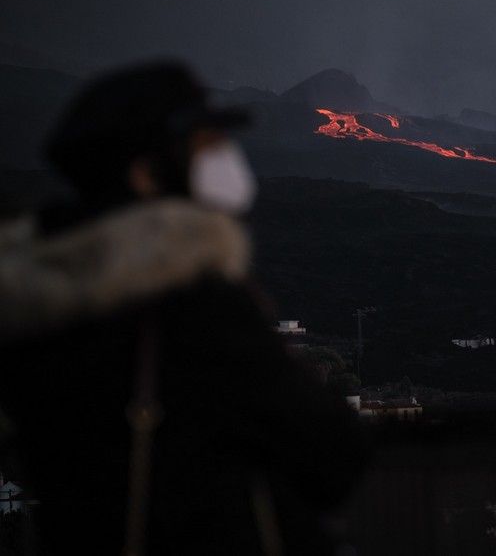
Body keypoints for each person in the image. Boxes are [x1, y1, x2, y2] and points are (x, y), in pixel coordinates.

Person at [0, 62, 366, 554]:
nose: (223, 157)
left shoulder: (33, 314)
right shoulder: (195, 308)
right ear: (146, 173)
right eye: (203, 145)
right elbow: (332, 452)